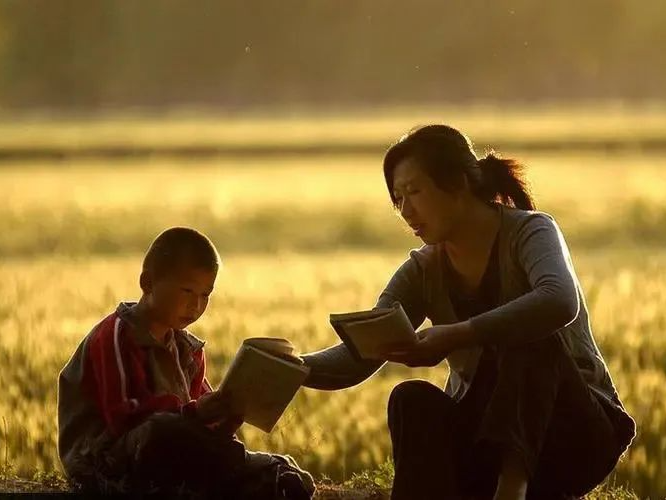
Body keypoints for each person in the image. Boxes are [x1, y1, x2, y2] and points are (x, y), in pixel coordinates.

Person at [301, 125, 636, 500]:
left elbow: (558, 301)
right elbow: (365, 350)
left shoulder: (530, 231)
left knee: (529, 337)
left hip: (572, 436)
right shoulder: (423, 271)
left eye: (415, 192)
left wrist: (458, 334)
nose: (406, 211)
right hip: (482, 445)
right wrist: (292, 368)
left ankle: (512, 488)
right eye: (398, 198)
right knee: (409, 399)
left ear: (458, 184)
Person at [58, 226, 315, 499]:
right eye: (187, 291)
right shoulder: (116, 335)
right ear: (148, 283)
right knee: (164, 432)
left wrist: (226, 415)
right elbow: (123, 417)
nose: (196, 305)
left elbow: (199, 418)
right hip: (104, 459)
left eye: (206, 295)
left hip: (167, 452)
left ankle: (267, 474)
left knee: (283, 465)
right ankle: (258, 475)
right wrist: (195, 414)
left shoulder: (188, 349)